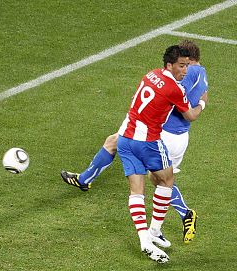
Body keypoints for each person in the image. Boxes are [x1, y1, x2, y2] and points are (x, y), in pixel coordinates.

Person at [61, 40, 207, 244]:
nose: (182, 68)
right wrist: (201, 103)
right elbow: (203, 95)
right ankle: (85, 180)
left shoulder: (180, 75)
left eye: (184, 64)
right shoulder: (203, 75)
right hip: (170, 132)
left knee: (159, 180)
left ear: (188, 61)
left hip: (159, 130)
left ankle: (180, 216)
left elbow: (178, 101)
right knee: (114, 142)